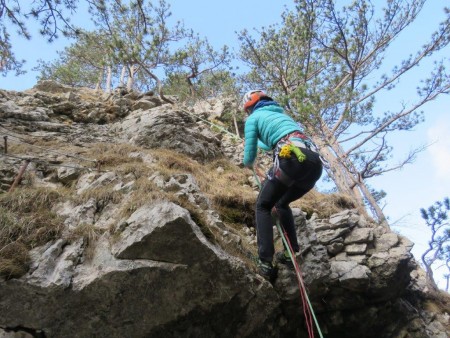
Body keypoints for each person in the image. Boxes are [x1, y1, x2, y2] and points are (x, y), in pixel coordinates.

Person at [242, 89, 323, 281]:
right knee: (281, 203)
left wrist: (247, 161)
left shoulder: (253, 118)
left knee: (263, 205)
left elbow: (249, 157)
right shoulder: (281, 115)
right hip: (314, 164)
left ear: (249, 106)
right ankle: (291, 253)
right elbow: (272, 142)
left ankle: (265, 261)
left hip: (292, 160)